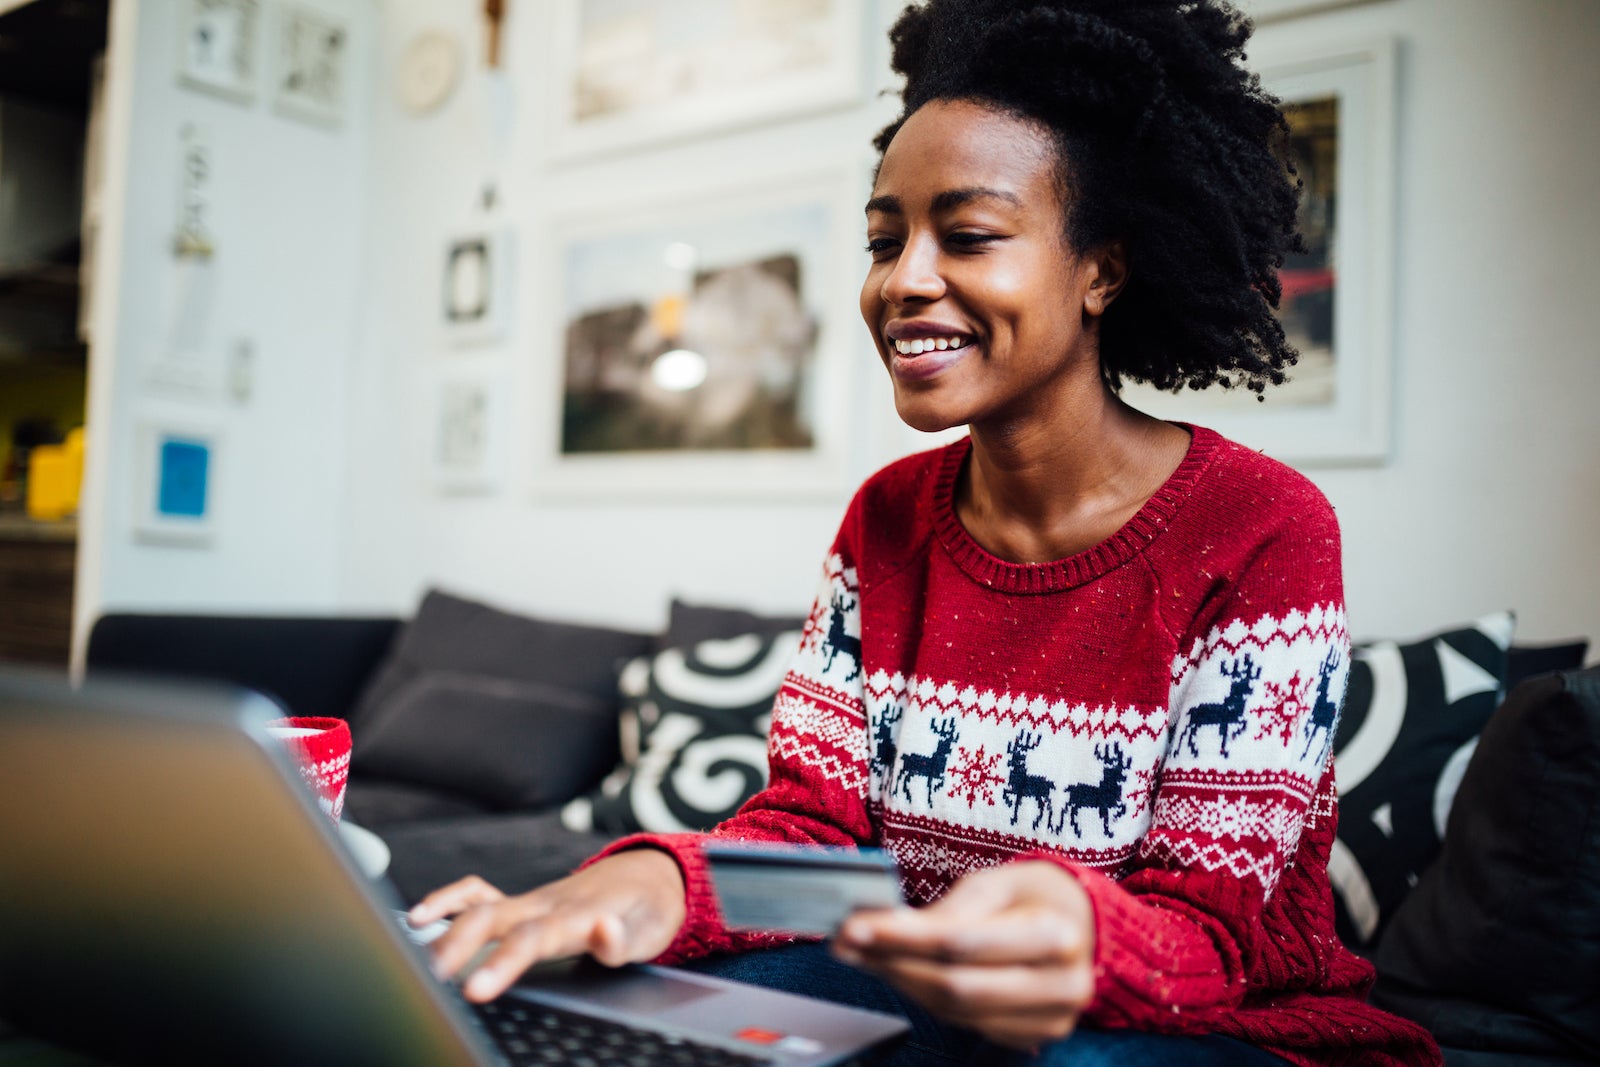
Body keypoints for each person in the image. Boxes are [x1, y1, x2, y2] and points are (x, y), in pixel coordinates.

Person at [410, 2, 1442, 1063]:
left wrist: (1073, 931)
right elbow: (809, 834)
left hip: (1212, 1024)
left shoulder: (1261, 527)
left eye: (971, 234)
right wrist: (644, 882)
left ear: (1102, 270)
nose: (903, 278)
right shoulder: (887, 517)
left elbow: (1212, 931)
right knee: (639, 999)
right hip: (927, 989)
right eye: (884, 238)